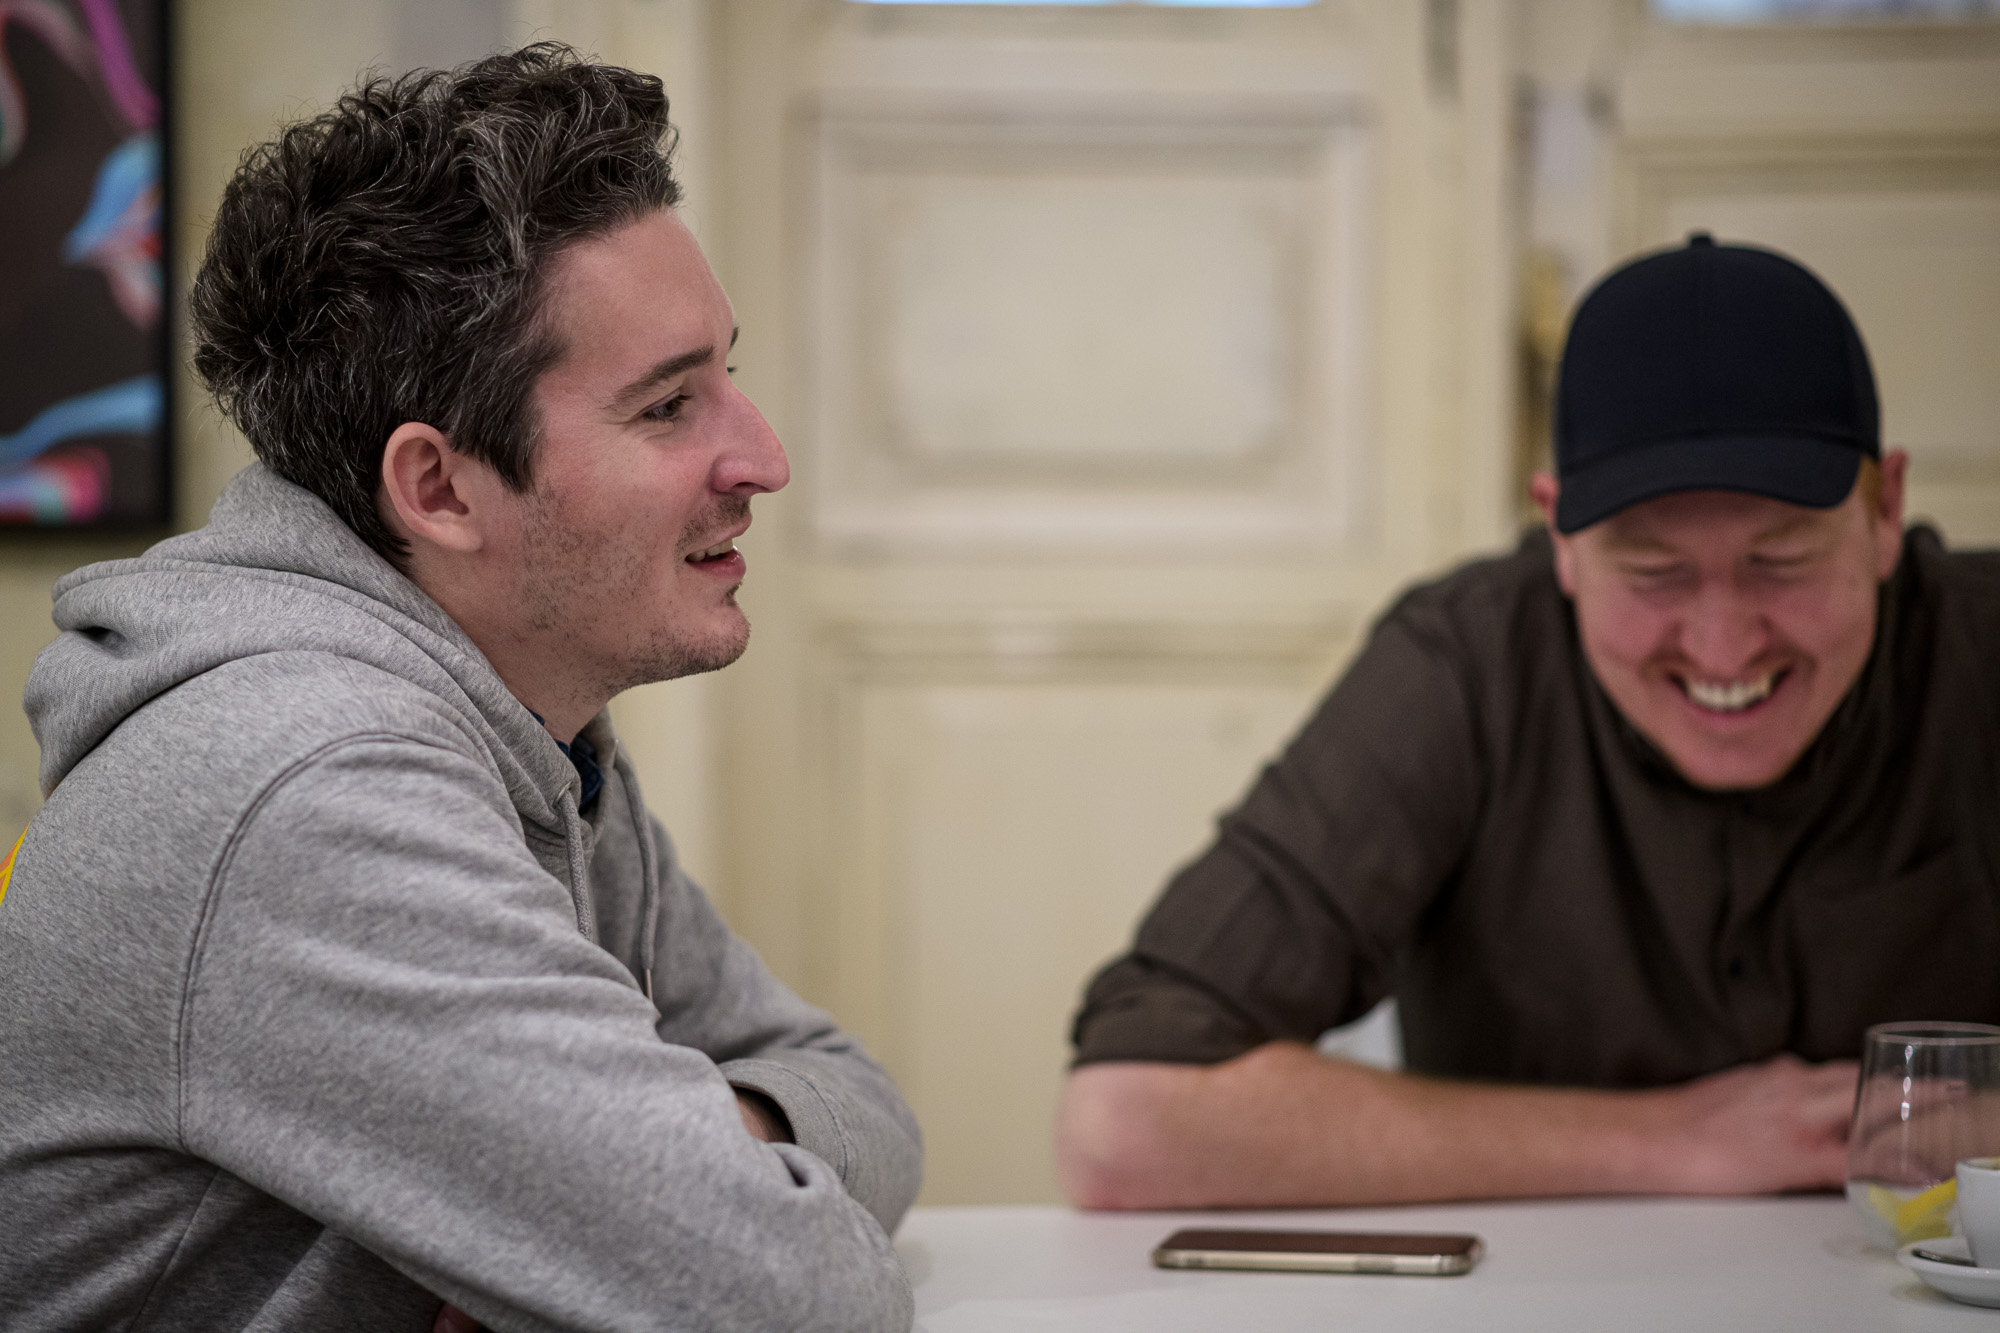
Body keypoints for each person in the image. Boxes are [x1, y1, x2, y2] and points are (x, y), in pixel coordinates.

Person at [0, 47, 920, 1332]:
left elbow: (850, 1089)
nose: (760, 456)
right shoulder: (307, 787)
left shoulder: (526, 727)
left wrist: (730, 1132)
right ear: (436, 489)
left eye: (727, 372)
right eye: (668, 406)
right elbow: (791, 1294)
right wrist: (705, 1193)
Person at [1058, 233, 2000, 1211]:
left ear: (1884, 511)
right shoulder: (1462, 667)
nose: (1722, 645)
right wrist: (1673, 1142)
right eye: (1654, 572)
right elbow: (1122, 1121)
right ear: (1560, 537)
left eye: (1781, 562)